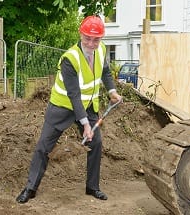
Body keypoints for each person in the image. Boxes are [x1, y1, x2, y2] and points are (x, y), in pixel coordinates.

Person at [16, 15, 122, 204]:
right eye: (87, 38)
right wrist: (85, 125)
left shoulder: (102, 50)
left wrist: (112, 90)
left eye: (96, 39)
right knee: (43, 147)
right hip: (62, 107)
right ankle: (30, 188)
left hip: (88, 106)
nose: (91, 43)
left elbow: (105, 71)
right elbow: (73, 95)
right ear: (81, 35)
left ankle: (92, 187)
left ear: (101, 39)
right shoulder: (70, 59)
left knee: (95, 143)